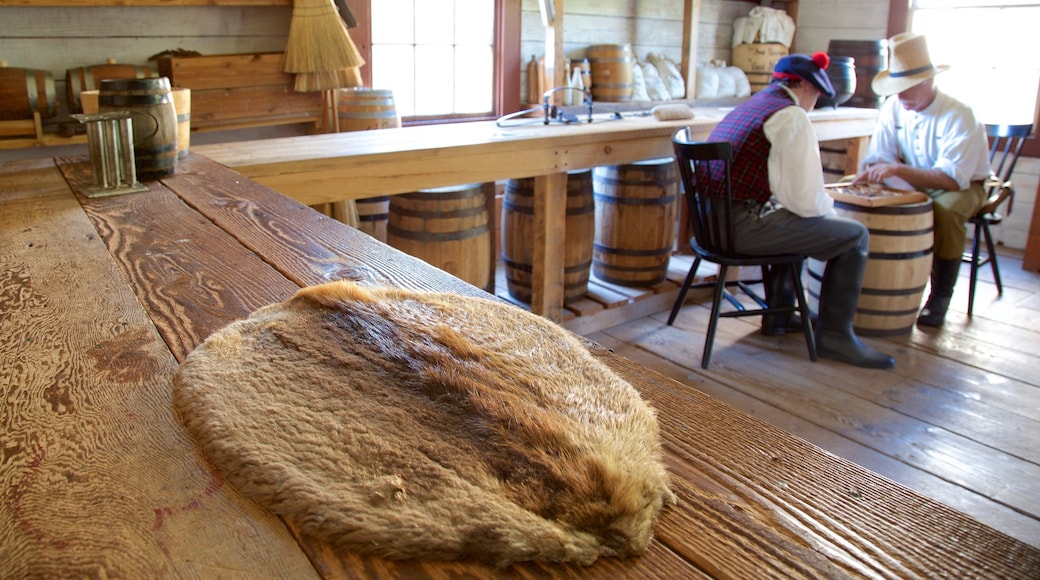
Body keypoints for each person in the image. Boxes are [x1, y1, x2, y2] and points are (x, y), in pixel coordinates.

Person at [706, 51, 895, 369]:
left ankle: (779, 316)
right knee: (853, 236)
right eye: (818, 91)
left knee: (792, 217)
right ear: (805, 86)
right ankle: (836, 336)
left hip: (712, 225)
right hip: (739, 229)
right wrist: (831, 219)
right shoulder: (790, 115)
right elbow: (804, 198)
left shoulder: (753, 105)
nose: (817, 99)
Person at [853, 32, 992, 327]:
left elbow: (953, 179)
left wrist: (897, 171)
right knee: (861, 194)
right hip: (912, 177)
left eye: (909, 87)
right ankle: (873, 282)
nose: (902, 95)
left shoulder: (959, 114)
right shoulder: (893, 107)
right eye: (898, 88)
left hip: (963, 184)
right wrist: (877, 175)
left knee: (946, 210)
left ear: (930, 81)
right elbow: (880, 155)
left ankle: (940, 296)